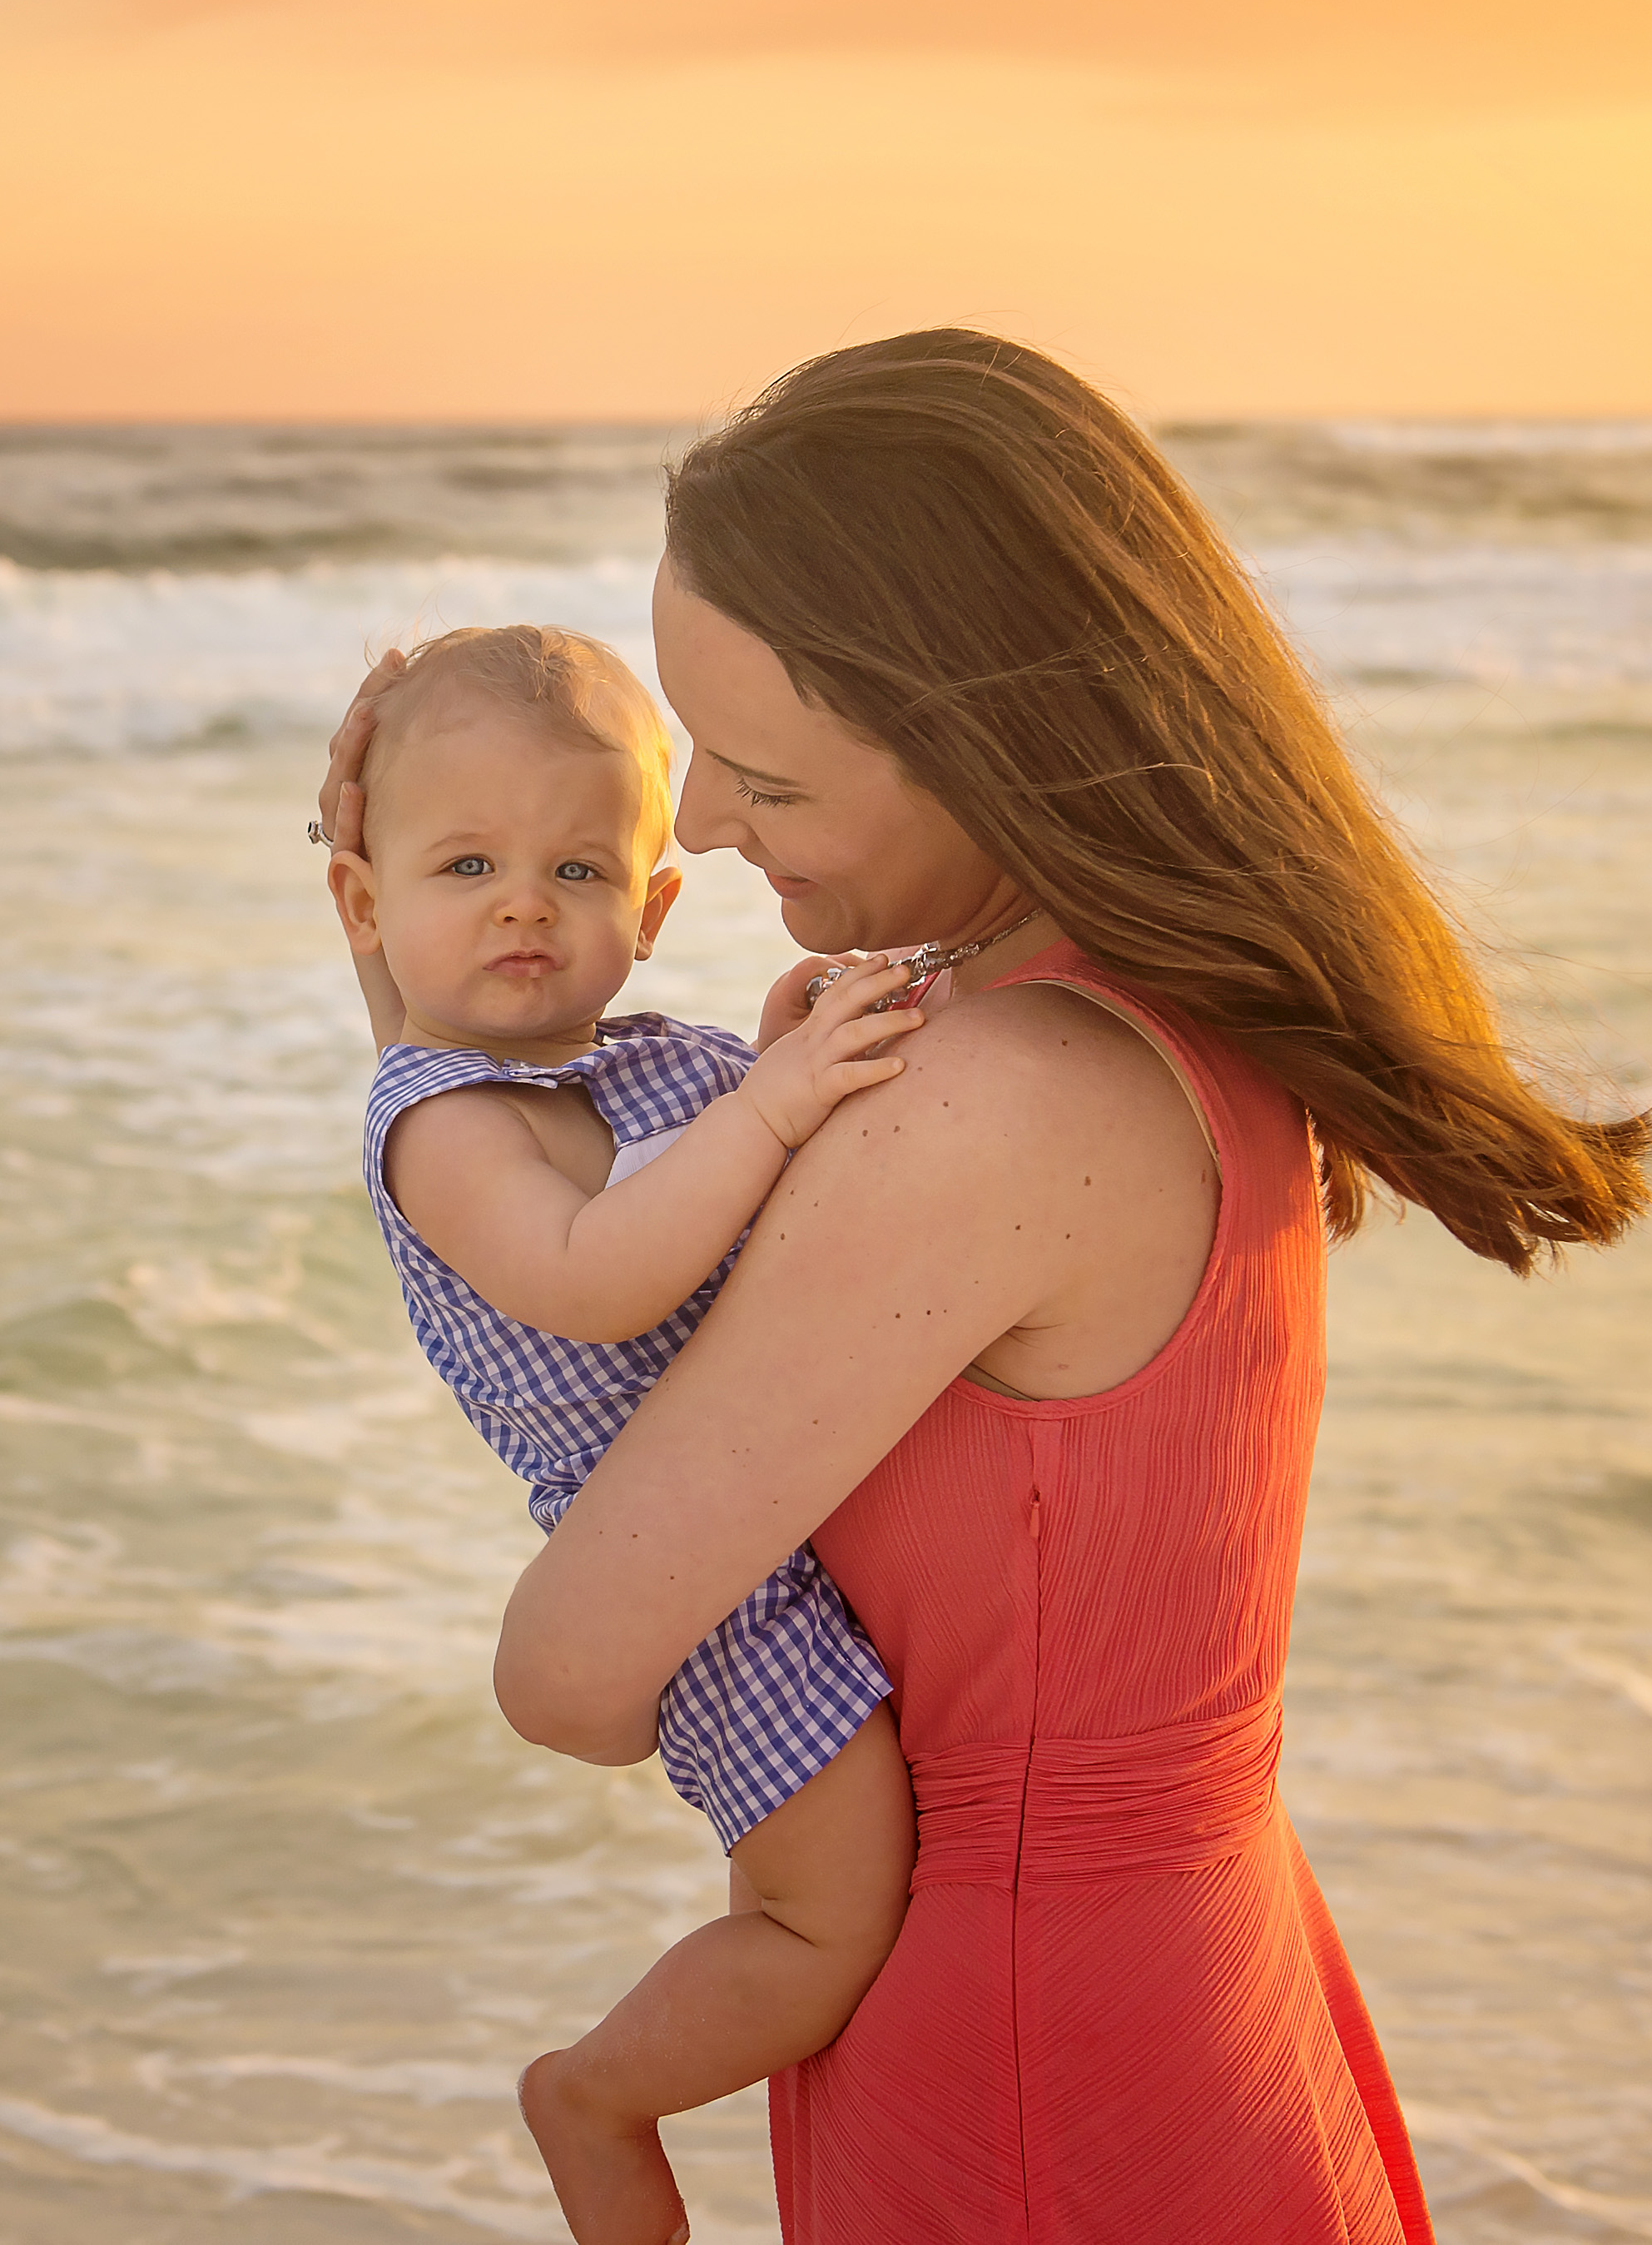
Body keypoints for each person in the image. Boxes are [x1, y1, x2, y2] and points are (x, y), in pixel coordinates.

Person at [320, 331, 1650, 2243]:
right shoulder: (1148, 1007)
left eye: (757, 770)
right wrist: (406, 959)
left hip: (1019, 2067)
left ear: (980, 740)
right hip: (1195, 1979)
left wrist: (417, 988)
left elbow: (573, 1673)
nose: (688, 824)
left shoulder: (972, 1107)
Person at [321, 623, 945, 2244]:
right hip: (702, 1588)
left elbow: (792, 1175)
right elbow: (595, 1278)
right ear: (370, 910)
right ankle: (595, 2096)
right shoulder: (442, 1122)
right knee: (827, 1923)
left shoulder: (644, 1057)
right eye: (465, 862)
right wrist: (773, 1102)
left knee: (826, 1894)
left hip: (765, 1512)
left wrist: (801, 1032)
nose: (525, 903)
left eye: (580, 869)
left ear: (653, 909)